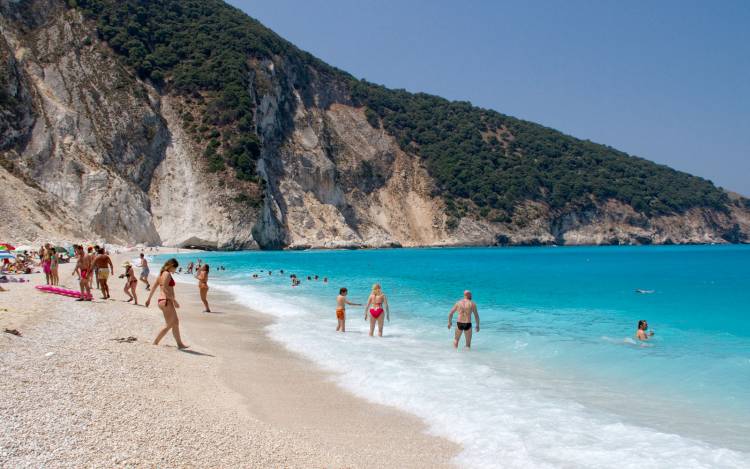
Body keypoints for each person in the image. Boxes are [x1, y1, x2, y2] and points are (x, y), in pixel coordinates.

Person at [145, 258, 188, 349]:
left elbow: (154, 287)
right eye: (175, 268)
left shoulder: (161, 274)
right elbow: (164, 288)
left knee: (175, 322)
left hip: (162, 301)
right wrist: (174, 301)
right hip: (166, 301)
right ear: (171, 266)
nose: (175, 270)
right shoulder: (167, 274)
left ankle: (180, 344)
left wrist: (149, 299)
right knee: (170, 324)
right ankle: (155, 342)